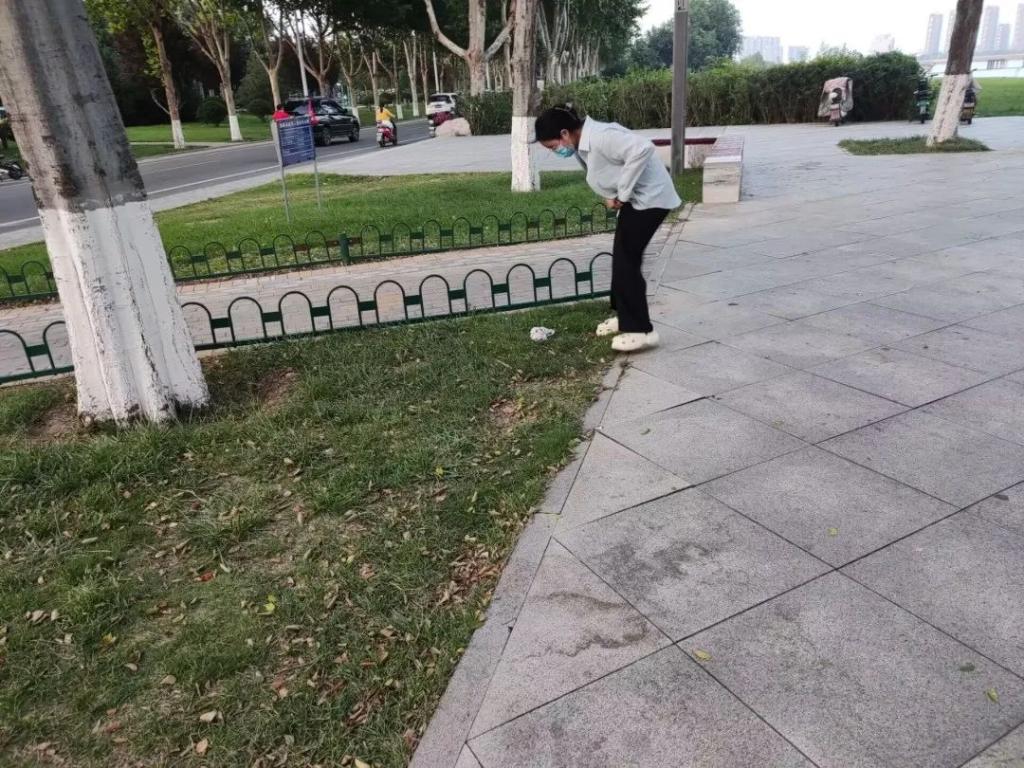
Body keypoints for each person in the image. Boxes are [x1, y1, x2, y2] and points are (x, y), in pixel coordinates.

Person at [535, 105, 681, 353]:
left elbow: (642, 149)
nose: (555, 151)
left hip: (651, 200)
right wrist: (614, 194)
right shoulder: (584, 141)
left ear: (564, 133)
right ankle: (625, 317)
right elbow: (609, 168)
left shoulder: (601, 137)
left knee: (627, 263)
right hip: (637, 200)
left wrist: (622, 193)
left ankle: (641, 331)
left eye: (552, 146)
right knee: (621, 258)